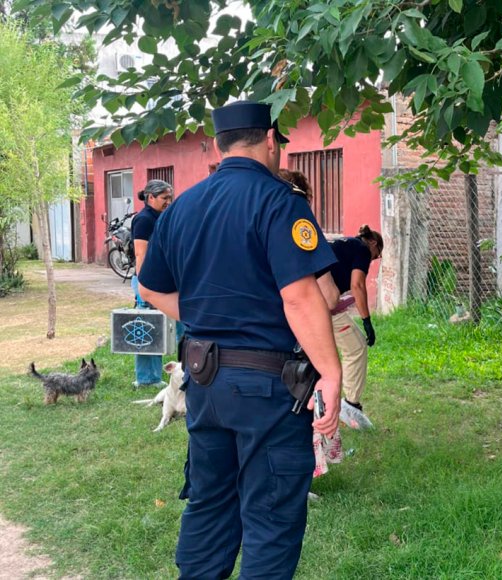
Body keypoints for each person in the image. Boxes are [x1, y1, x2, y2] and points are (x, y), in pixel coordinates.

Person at [137, 100, 342, 578]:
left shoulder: (182, 206)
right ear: (270, 140)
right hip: (267, 389)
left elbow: (150, 288)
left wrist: (209, 315)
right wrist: (331, 373)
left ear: (217, 145)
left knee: (210, 504)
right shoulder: (280, 201)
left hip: (204, 383)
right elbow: (300, 297)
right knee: (270, 515)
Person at [322, 225, 383, 430]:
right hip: (321, 304)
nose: (372, 260)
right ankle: (350, 405)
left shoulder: (345, 243)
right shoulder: (362, 249)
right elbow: (357, 285)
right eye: (376, 255)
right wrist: (367, 321)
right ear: (373, 243)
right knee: (356, 347)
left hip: (311, 298)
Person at [130, 179, 173, 388]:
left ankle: (157, 375)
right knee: (147, 328)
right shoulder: (144, 220)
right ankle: (146, 379)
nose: (168, 202)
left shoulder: (161, 217)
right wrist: (143, 286)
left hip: (161, 280)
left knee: (161, 328)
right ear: (151, 197)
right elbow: (141, 254)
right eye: (164, 198)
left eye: (170, 197)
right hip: (147, 282)